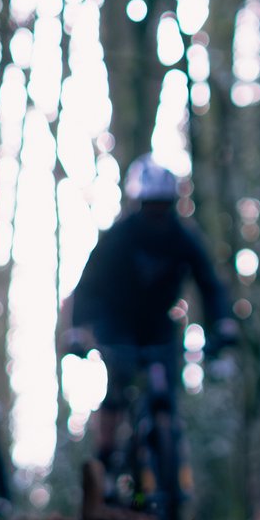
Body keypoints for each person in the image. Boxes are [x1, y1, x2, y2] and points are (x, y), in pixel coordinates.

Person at [60, 155, 236, 501]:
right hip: (116, 323)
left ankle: (169, 469)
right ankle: (107, 462)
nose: (157, 213)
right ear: (137, 203)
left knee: (165, 393)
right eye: (150, 205)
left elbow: (210, 283)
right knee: (117, 386)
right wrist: (78, 330)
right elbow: (88, 285)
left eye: (163, 205)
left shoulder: (182, 238)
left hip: (159, 326)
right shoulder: (119, 237)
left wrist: (224, 324)